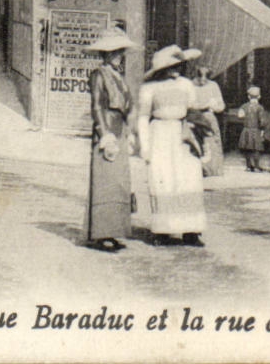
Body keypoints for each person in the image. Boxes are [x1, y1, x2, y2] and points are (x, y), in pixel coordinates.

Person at [136, 45, 206, 246]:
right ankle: (163, 231)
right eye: (172, 65)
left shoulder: (186, 85)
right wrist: (145, 146)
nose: (177, 69)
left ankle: (191, 230)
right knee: (164, 179)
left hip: (182, 133)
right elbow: (143, 117)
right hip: (160, 134)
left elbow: (193, 110)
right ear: (162, 68)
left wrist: (196, 133)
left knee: (188, 179)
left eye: (179, 65)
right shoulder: (149, 88)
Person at [84, 27, 135, 252]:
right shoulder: (99, 75)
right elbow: (96, 106)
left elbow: (127, 106)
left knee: (117, 182)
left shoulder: (118, 77)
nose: (118, 56)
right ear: (105, 54)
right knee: (105, 182)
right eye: (114, 52)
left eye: (120, 52)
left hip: (120, 128)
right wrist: (104, 133)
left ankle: (113, 230)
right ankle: (100, 232)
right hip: (107, 130)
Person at [189, 60, 226, 178]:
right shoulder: (189, 85)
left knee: (211, 143)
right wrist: (205, 105)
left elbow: (221, 106)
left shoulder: (213, 86)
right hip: (194, 117)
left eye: (206, 76)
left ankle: (211, 169)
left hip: (208, 118)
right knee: (194, 142)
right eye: (200, 76)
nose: (202, 80)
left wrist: (214, 106)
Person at [236, 86, 269, 172]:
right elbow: (262, 121)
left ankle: (248, 166)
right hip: (256, 130)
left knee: (247, 148)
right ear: (259, 97)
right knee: (256, 148)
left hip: (246, 129)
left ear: (248, 96)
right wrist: (263, 128)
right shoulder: (260, 107)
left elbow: (240, 115)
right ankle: (257, 166)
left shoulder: (244, 106)